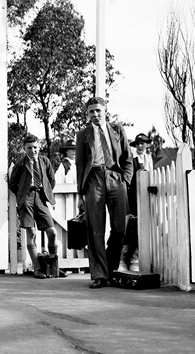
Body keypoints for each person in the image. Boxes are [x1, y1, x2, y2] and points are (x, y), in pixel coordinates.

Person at [75, 96, 134, 288]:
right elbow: (80, 165)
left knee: (120, 228)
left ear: (104, 111)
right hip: (94, 179)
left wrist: (125, 180)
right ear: (87, 114)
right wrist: (80, 194)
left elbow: (127, 158)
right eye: (91, 111)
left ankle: (109, 267)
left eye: (98, 110)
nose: (95, 114)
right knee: (95, 229)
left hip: (115, 177)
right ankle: (99, 275)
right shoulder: (83, 135)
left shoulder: (117, 130)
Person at [8, 133, 66, 278]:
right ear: (24, 149)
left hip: (40, 197)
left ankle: (53, 267)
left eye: (35, 147)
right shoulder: (20, 163)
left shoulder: (45, 161)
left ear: (39, 147)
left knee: (52, 232)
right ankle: (38, 269)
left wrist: (45, 193)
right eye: (29, 148)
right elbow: (12, 184)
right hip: (26, 198)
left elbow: (51, 180)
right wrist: (22, 195)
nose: (32, 150)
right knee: (31, 233)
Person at [119, 132, 154, 272]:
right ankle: (124, 259)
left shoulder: (149, 159)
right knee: (131, 226)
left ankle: (137, 257)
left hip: (146, 195)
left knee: (144, 227)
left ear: (147, 145)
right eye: (138, 144)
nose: (140, 146)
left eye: (142, 143)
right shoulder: (131, 159)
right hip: (132, 196)